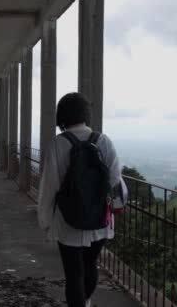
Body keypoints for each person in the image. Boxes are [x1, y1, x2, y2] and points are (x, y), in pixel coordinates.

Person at [37, 92, 127, 307]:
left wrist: (45, 221)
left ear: (62, 116)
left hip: (68, 220)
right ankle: (86, 302)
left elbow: (50, 186)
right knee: (90, 265)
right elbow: (114, 179)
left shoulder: (58, 144)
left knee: (74, 273)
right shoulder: (103, 140)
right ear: (86, 114)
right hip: (99, 220)